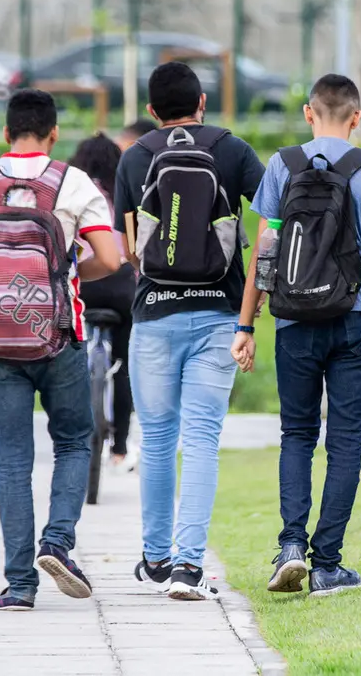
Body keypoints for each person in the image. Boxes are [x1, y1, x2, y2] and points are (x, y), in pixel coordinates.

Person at [232, 74, 361, 597]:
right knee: (346, 440)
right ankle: (328, 564)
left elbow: (264, 252)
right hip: (357, 317)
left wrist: (246, 324)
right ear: (357, 117)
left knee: (297, 433)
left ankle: (291, 546)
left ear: (309, 114)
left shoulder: (282, 166)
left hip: (293, 319)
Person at [0, 89, 121, 611]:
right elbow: (111, 259)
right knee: (73, 442)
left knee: (12, 462)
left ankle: (20, 585)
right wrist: (65, 271)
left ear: (5, 133)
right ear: (53, 134)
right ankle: (58, 542)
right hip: (60, 336)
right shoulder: (73, 182)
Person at [116, 62, 264, 602]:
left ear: (152, 111)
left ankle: (155, 558)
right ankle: (187, 566)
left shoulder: (135, 157)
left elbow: (127, 246)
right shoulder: (233, 149)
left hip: (153, 313)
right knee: (201, 439)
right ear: (202, 101)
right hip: (221, 313)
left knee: (156, 440)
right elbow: (274, 214)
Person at [69, 134, 137, 470]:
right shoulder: (124, 191)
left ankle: (71, 442)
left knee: (69, 363)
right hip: (120, 284)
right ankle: (120, 448)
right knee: (123, 366)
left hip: (80, 282)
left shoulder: (69, 191)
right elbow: (133, 246)